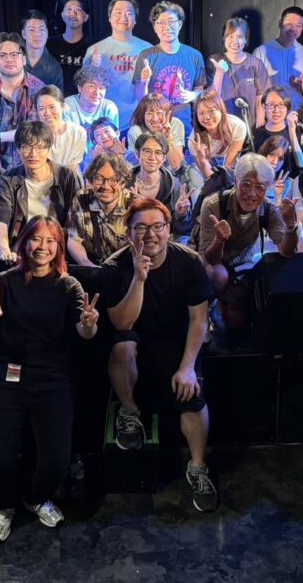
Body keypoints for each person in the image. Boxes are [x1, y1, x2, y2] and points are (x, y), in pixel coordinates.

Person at [0, 216, 99, 541]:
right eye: (36, 239)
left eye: (50, 241)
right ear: (24, 242)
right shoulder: (4, 282)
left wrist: (89, 324)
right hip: (6, 376)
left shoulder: (68, 286)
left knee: (57, 459)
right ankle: (3, 507)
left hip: (52, 378)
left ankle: (35, 498)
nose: (42, 247)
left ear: (58, 247)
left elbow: (84, 332)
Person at [103, 197, 218, 512]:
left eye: (157, 226)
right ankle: (129, 412)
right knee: (121, 345)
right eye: (141, 228)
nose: (150, 234)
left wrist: (188, 367)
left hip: (176, 341)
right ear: (129, 232)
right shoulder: (114, 267)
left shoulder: (189, 262)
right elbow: (122, 323)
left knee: (193, 394)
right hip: (136, 340)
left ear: (169, 229)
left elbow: (199, 320)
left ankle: (198, 467)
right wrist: (139, 279)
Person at [197, 154, 299, 329]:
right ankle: (204, 309)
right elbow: (210, 258)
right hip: (211, 263)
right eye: (246, 185)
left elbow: (287, 251)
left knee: (238, 322)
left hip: (241, 263)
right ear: (236, 181)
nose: (251, 194)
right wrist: (219, 240)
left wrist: (290, 226)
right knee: (219, 275)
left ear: (268, 187)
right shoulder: (214, 204)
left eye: (259, 187)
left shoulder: (268, 209)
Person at [0, 121, 83, 261]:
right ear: (18, 149)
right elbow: (1, 220)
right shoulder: (9, 179)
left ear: (49, 148)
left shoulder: (67, 177)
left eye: (40, 148)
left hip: (57, 248)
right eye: (26, 147)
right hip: (22, 250)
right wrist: (4, 251)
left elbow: (76, 223)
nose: (33, 154)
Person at [134, 1, 206, 134]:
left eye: (171, 21)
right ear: (155, 27)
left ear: (180, 24)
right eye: (161, 23)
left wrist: (191, 95)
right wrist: (144, 81)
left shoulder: (195, 56)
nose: (166, 27)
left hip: (183, 125)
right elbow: (140, 97)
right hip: (153, 127)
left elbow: (199, 91)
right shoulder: (146, 56)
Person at [0, 31, 46, 168]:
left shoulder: (39, 90)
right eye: (2, 55)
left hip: (32, 163)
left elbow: (34, 132)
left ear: (24, 59)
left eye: (14, 54)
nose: (9, 59)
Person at [83, 0, 153, 128]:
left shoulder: (148, 50)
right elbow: (83, 90)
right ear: (109, 18)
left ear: (135, 20)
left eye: (129, 13)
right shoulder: (95, 50)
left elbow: (153, 91)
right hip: (103, 124)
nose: (123, 17)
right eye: (118, 13)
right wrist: (92, 67)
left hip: (138, 122)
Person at [67, 153, 135, 266]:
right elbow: (74, 240)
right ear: (91, 180)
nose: (105, 186)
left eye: (113, 180)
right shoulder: (82, 199)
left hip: (126, 268)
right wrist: (89, 266)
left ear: (123, 183)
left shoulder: (134, 204)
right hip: (90, 265)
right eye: (99, 178)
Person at [206, 17, 269, 124]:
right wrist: (219, 73)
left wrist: (259, 130)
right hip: (221, 125)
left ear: (246, 39)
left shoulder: (256, 64)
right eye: (230, 36)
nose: (235, 41)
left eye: (240, 37)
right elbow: (211, 97)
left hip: (249, 127)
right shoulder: (214, 61)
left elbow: (260, 101)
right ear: (224, 38)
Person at [252, 6, 303, 112]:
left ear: (302, 29)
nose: (293, 29)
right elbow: (252, 89)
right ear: (280, 24)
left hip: (297, 114)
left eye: (298, 25)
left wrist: (301, 87)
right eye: (289, 24)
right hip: (269, 114)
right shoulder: (261, 52)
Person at [128, 132, 188, 228]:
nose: (152, 157)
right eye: (147, 151)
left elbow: (182, 228)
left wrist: (181, 215)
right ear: (137, 154)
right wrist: (130, 209)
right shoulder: (125, 184)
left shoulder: (174, 185)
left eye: (158, 153)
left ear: (164, 158)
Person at [188, 89, 248, 177]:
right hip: (207, 173)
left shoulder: (237, 126)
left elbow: (228, 167)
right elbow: (208, 177)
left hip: (230, 170)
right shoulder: (194, 140)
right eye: (201, 113)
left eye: (211, 111)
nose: (207, 117)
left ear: (221, 109)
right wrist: (203, 159)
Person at [252, 86, 303, 176]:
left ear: (287, 108)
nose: (276, 110)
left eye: (281, 105)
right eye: (271, 105)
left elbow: (302, 163)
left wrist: (292, 130)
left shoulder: (297, 131)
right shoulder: (255, 135)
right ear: (264, 107)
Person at [127, 93, 187, 173]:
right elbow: (136, 166)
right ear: (142, 115)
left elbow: (176, 165)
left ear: (166, 113)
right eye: (149, 113)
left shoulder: (175, 124)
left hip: (174, 175)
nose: (155, 118)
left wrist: (168, 138)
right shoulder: (136, 131)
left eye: (159, 113)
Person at [36, 85, 87, 173]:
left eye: (52, 107)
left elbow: (72, 169)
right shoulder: (34, 135)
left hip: (70, 178)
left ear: (62, 106)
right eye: (41, 109)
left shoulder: (78, 132)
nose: (47, 113)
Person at [47, 0, 90, 94]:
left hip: (80, 100)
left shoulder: (91, 47)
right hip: (54, 98)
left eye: (78, 10)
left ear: (86, 17)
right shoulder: (49, 44)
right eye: (68, 9)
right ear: (62, 15)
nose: (73, 14)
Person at [64, 64, 119, 129]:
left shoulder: (109, 108)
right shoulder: (67, 106)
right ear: (80, 88)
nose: (97, 92)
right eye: (92, 86)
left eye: (101, 88)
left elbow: (113, 134)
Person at [21, 9, 65, 89]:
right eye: (32, 30)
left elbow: (57, 96)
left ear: (47, 33)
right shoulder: (14, 59)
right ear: (23, 34)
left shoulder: (55, 68)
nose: (37, 34)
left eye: (41, 29)